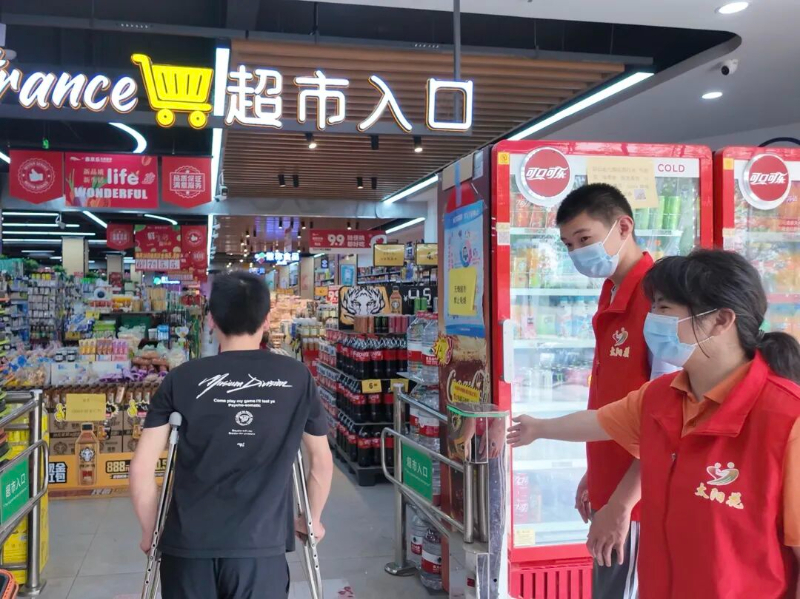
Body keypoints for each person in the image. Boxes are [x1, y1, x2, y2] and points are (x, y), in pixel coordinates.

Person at [508, 249, 800, 599]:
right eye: (652, 307)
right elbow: (599, 422)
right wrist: (538, 428)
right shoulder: (661, 396)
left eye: (664, 308)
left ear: (721, 320)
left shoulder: (786, 420)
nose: (652, 319)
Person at [131, 272, 334, 599]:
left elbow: (142, 467)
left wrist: (149, 530)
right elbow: (320, 462)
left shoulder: (181, 378)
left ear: (211, 319)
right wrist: (312, 519)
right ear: (266, 320)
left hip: (187, 549)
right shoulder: (297, 377)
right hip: (260, 549)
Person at [555, 183, 673, 597]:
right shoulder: (612, 291)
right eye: (568, 245)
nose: (577, 253)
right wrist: (597, 472)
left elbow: (667, 419)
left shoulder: (661, 302)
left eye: (584, 239)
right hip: (615, 485)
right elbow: (615, 402)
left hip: (639, 500)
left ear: (623, 226)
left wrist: (622, 503)